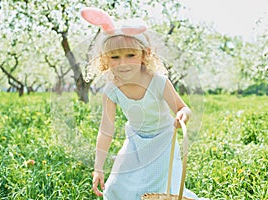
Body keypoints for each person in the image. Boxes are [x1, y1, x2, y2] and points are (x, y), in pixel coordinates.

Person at [81, 7, 201, 200]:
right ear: (105, 60)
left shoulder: (158, 81)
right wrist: (98, 167)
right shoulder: (112, 90)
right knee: (115, 187)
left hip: (164, 141)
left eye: (131, 55)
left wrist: (182, 115)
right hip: (135, 141)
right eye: (115, 57)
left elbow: (182, 107)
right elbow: (106, 130)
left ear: (144, 54)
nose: (123, 63)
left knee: (162, 188)